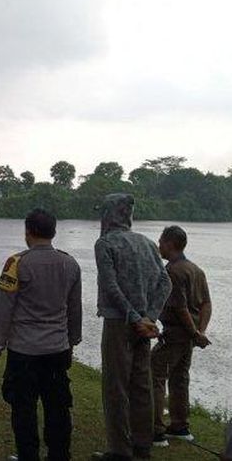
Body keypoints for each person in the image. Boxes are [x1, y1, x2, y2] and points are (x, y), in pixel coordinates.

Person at [0, 208, 82, 461]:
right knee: (58, 406)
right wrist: (72, 341)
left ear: (28, 232)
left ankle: (28, 455)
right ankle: (59, 454)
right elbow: (75, 309)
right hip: (57, 349)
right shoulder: (70, 264)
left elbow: (4, 307)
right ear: (53, 232)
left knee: (23, 407)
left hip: (24, 352)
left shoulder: (16, 263)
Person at [92, 194, 172, 461]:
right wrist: (149, 317)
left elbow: (110, 285)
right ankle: (142, 445)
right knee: (142, 385)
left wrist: (136, 318)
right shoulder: (148, 244)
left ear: (108, 214)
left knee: (116, 387)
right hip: (143, 327)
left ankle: (119, 450)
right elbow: (165, 282)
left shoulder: (104, 244)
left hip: (119, 322)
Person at [151, 226, 213, 447]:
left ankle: (156, 431)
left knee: (155, 376)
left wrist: (196, 332)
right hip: (189, 338)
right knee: (180, 379)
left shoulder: (173, 272)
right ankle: (180, 425)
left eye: (160, 242)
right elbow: (206, 304)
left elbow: (180, 307)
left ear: (170, 243)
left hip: (177, 335)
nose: (159, 246)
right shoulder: (196, 269)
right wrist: (200, 332)